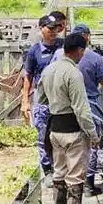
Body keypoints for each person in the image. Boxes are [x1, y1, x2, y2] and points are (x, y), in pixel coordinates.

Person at [36, 32, 99, 204]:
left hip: (54, 129)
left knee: (59, 173)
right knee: (75, 177)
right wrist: (93, 134)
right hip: (73, 130)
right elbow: (81, 109)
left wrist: (57, 101)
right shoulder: (73, 73)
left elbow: (41, 99)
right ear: (79, 50)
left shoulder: (48, 70)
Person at [53, 24, 103, 195]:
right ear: (87, 38)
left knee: (63, 152)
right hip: (89, 104)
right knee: (91, 146)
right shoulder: (95, 58)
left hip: (61, 111)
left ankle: (62, 185)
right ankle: (88, 184)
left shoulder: (57, 56)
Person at [21, 14, 63, 179]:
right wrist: (25, 101)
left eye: (56, 28)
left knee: (62, 134)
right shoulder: (34, 51)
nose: (53, 32)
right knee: (43, 135)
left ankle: (61, 168)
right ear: (41, 29)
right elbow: (28, 77)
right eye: (50, 28)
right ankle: (47, 170)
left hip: (61, 98)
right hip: (43, 98)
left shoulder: (63, 47)